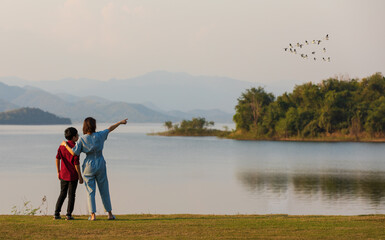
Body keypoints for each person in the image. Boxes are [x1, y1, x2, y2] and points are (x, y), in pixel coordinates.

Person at [62, 117, 127, 221]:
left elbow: (74, 153)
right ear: (94, 125)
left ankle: (93, 215)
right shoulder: (100, 135)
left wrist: (65, 145)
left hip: (88, 166)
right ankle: (110, 214)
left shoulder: (82, 139)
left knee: (90, 191)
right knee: (104, 189)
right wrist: (120, 122)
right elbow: (110, 128)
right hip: (100, 164)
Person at [54, 127, 84, 220]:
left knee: (62, 194)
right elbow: (76, 163)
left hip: (63, 174)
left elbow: (57, 158)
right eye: (77, 135)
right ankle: (68, 214)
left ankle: (56, 213)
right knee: (71, 195)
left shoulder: (62, 146)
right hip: (72, 176)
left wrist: (58, 171)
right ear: (74, 137)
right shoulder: (75, 147)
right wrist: (80, 176)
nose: (78, 136)